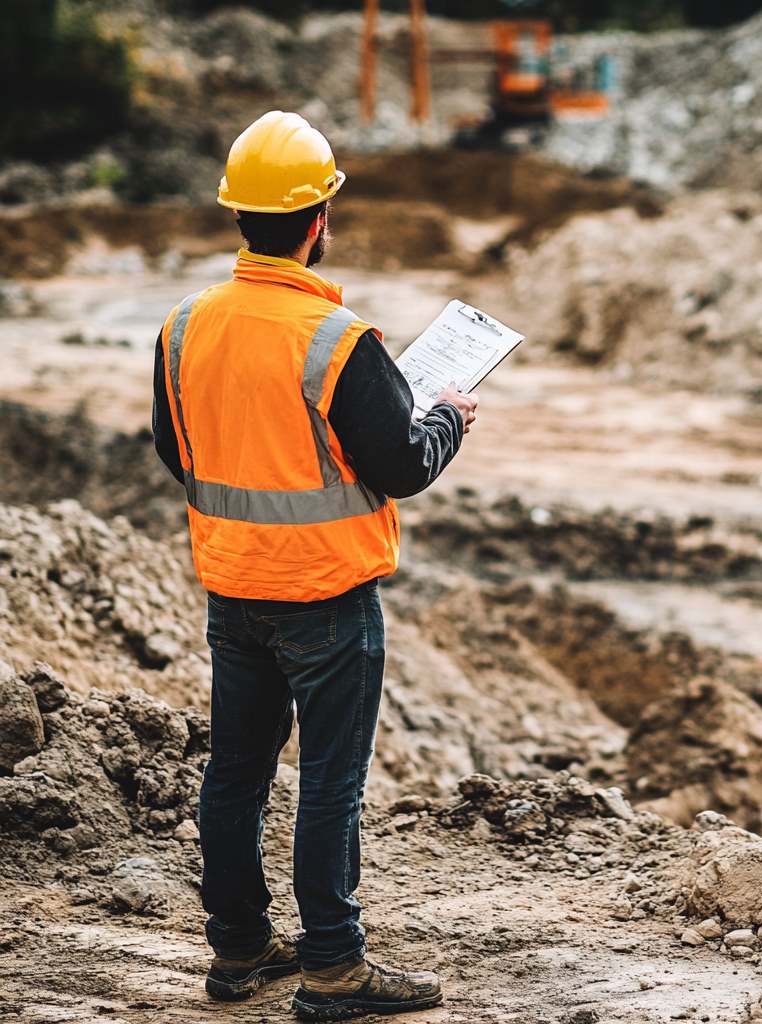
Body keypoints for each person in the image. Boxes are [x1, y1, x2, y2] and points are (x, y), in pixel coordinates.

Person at [152, 110, 478, 1020]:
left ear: (238, 216)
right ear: (318, 217)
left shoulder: (184, 327)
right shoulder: (340, 341)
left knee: (237, 774)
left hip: (232, 586)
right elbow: (403, 465)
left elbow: (175, 446)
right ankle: (334, 969)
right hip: (328, 598)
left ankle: (239, 948)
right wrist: (447, 416)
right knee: (330, 783)